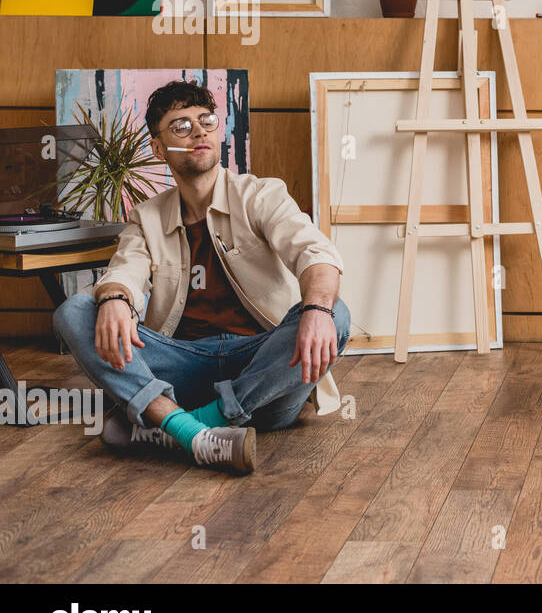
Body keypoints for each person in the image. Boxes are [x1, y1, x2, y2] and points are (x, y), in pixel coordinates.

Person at [53, 80, 349, 475]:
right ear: (158, 149)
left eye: (205, 120)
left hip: (262, 370)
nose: (198, 131)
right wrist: (115, 299)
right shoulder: (147, 217)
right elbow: (125, 270)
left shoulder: (261, 195)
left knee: (336, 313)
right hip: (184, 368)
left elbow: (315, 253)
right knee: (75, 310)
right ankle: (185, 425)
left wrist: (315, 309)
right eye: (180, 125)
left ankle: (185, 427)